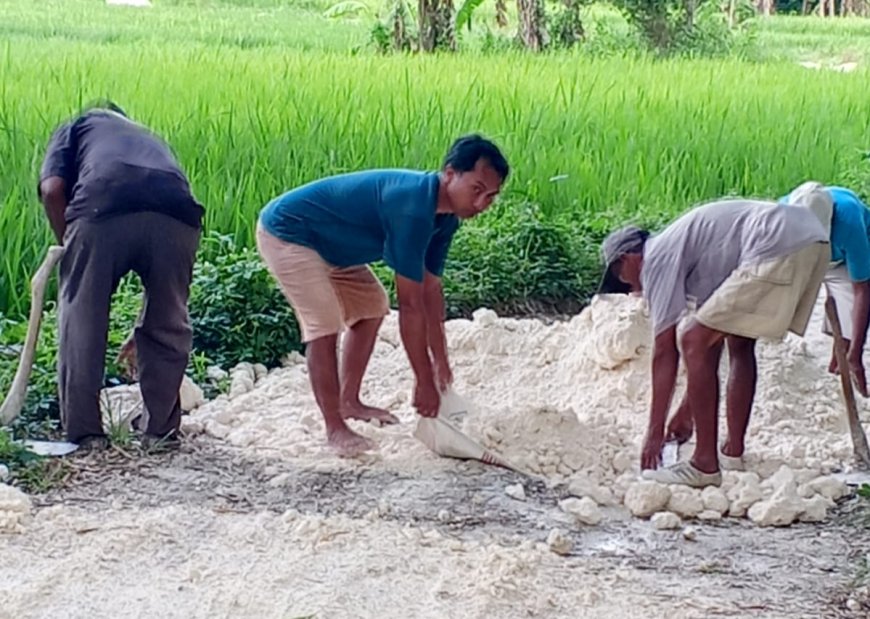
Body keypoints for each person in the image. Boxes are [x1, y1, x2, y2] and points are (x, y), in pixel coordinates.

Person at [256, 134, 509, 457]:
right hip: (290, 232)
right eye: (476, 189)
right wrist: (423, 380)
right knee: (324, 323)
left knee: (372, 306)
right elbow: (411, 305)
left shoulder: (446, 220)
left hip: (335, 247)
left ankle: (349, 401)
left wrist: (440, 363)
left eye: (491, 196)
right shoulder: (413, 209)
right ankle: (335, 427)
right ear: (449, 174)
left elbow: (430, 292)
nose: (481, 204)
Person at [598, 197, 829, 487]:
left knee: (690, 337)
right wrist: (686, 412)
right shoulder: (696, 251)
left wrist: (654, 433)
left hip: (775, 240)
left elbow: (665, 352)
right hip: (813, 238)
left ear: (628, 258)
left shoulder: (655, 259)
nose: (632, 288)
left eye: (622, 279)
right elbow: (712, 339)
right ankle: (733, 452)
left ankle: (704, 464)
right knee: (739, 341)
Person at [37, 101, 204, 451]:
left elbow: (52, 189)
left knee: (83, 318)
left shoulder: (76, 125)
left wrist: (70, 244)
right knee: (167, 320)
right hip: (179, 212)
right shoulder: (148, 137)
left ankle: (86, 434)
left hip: (103, 201)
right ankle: (160, 432)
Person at [780, 181, 870, 397]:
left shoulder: (849, 222)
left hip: (844, 257)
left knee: (847, 312)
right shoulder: (781, 215)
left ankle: (840, 367)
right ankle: (836, 366)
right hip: (805, 255)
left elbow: (862, 290)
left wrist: (855, 355)